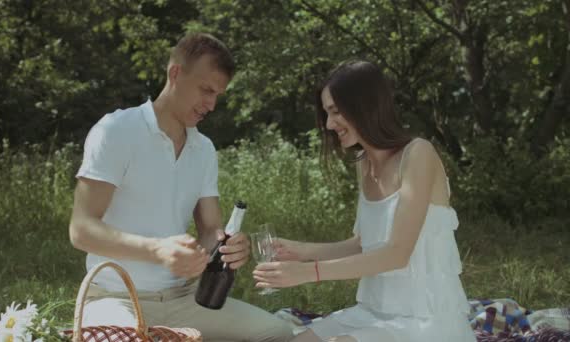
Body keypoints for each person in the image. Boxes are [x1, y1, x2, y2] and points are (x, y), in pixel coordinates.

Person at [69, 32, 293, 342]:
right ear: (175, 73)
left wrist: (227, 246)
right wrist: (157, 250)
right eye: (205, 90)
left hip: (184, 299)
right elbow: (81, 230)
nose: (211, 104)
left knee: (279, 333)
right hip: (115, 298)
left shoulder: (203, 149)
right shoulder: (117, 131)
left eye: (217, 95)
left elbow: (211, 228)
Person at [253, 60, 476, 342]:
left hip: (424, 320)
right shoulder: (364, 164)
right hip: (373, 312)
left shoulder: (418, 153)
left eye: (335, 111)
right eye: (326, 113)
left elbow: (396, 254)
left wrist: (308, 272)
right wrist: (300, 250)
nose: (330, 124)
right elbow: (364, 243)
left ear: (364, 105)